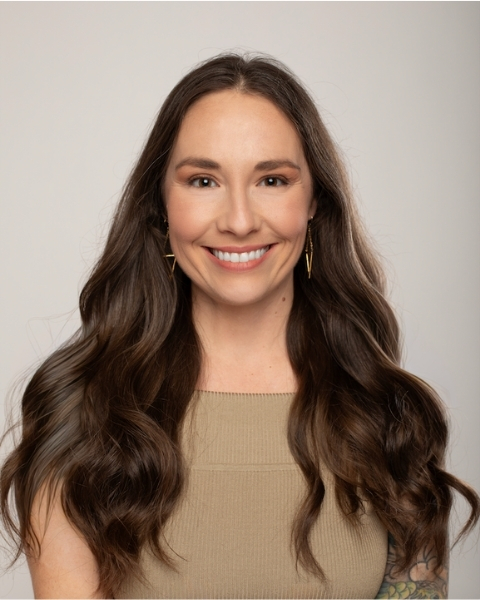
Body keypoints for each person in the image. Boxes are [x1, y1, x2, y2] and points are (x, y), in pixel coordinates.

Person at [1, 53, 478, 599]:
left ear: (314, 201)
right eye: (203, 180)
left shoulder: (390, 417)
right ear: (161, 204)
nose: (239, 221)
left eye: (272, 180)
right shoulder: (83, 412)